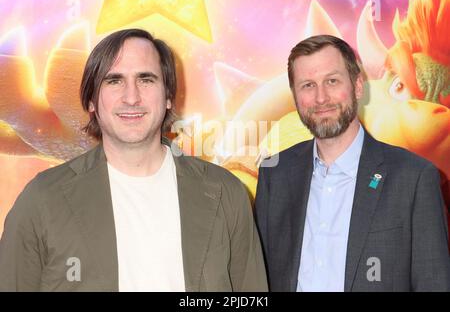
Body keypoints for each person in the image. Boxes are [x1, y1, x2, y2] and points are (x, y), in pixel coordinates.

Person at [0, 28, 267, 292]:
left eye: (146, 79)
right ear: (91, 101)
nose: (131, 97)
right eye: (114, 80)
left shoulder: (226, 193)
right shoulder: (42, 199)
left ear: (168, 98)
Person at [255, 34, 450, 292]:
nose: (321, 97)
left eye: (332, 81)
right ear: (295, 96)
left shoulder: (413, 177)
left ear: (358, 86)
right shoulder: (275, 175)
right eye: (308, 86)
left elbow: (433, 283)